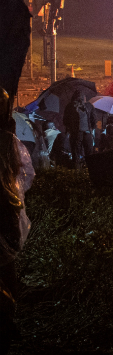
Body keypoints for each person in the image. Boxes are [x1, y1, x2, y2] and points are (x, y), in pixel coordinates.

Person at [1, 89, 34, 353]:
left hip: (6, 211)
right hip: (5, 212)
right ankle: (7, 321)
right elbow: (19, 175)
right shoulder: (5, 141)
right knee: (6, 267)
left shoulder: (7, 140)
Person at [63, 90, 96, 168]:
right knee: (89, 154)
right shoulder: (89, 106)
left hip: (75, 134)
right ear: (84, 97)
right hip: (87, 133)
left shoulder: (70, 106)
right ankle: (89, 171)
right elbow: (94, 120)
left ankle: (77, 173)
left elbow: (65, 121)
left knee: (76, 154)